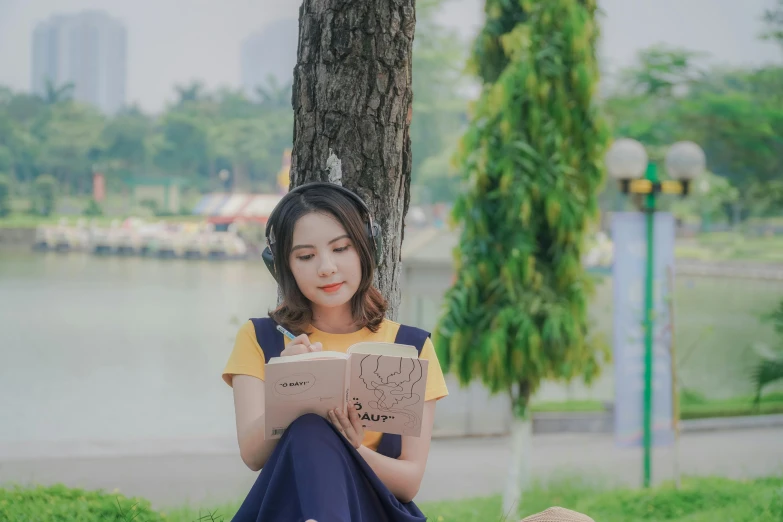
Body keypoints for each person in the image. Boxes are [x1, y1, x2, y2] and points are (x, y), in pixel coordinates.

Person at [222, 182, 450, 521]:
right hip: (287, 509)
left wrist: (352, 447)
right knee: (308, 428)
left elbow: (408, 482)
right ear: (283, 266)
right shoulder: (260, 338)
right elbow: (253, 456)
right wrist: (286, 390)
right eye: (306, 256)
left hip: (371, 509)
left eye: (340, 248)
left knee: (318, 430)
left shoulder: (411, 349)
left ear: (365, 249)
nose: (326, 267)